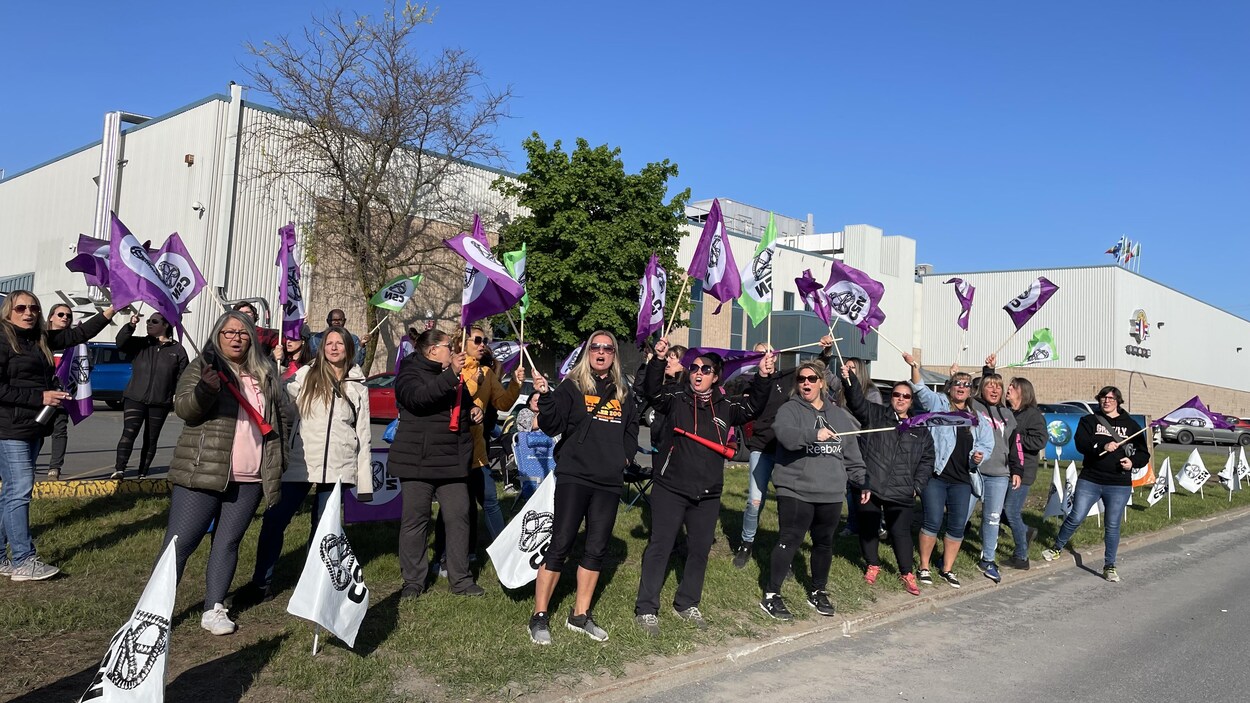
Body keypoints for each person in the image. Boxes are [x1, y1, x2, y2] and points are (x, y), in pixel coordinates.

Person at [158, 310, 292, 635]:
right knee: (180, 543)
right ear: (218, 335)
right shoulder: (203, 367)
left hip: (250, 477)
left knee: (228, 543)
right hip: (203, 471)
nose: (236, 338)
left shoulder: (265, 373)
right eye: (229, 332)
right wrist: (205, 389)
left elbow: (282, 417)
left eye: (243, 333)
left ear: (252, 338)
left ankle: (214, 607)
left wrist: (279, 457)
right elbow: (185, 409)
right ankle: (154, 612)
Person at [634, 337, 774, 636]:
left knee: (699, 549)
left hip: (708, 492)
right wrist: (658, 361)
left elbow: (754, 407)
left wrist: (764, 376)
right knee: (660, 547)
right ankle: (646, 608)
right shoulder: (674, 397)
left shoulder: (727, 406)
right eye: (694, 367)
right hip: (671, 487)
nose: (698, 372)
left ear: (716, 375)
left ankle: (687, 603)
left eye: (706, 369)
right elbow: (651, 391)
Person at [239, 326, 372, 602]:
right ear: (322, 348)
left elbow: (364, 435)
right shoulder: (307, 374)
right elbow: (279, 396)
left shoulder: (358, 385)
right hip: (301, 461)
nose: (333, 347)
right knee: (274, 520)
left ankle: (315, 588)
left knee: (324, 531)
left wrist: (364, 482)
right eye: (329, 343)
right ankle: (261, 584)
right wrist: (274, 366)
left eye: (340, 343)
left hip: (339, 466)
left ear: (350, 349)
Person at [527, 331, 637, 645]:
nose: (601, 353)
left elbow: (631, 428)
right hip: (575, 476)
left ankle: (580, 614)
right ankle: (539, 616)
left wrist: (624, 457)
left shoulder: (623, 390)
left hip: (608, 480)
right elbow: (551, 425)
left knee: (596, 548)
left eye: (608, 349)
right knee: (560, 543)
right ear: (587, 352)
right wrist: (545, 399)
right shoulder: (571, 387)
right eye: (595, 348)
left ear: (614, 354)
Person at [1, 292, 115, 581]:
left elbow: (78, 334)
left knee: (11, 493)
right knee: (20, 490)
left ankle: (1, 558)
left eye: (34, 308)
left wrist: (111, 311)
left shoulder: (39, 339)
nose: (28, 313)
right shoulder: (3, 339)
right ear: (8, 311)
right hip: (8, 428)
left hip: (34, 426)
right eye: (21, 308)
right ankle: (24, 561)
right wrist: (40, 396)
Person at [760, 360, 867, 620]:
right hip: (796, 489)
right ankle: (771, 595)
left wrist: (861, 480)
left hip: (830, 492)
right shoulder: (790, 410)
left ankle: (818, 591)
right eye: (801, 379)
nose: (805, 383)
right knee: (789, 540)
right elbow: (785, 435)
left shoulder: (839, 416)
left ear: (821, 383)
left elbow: (851, 454)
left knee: (823, 543)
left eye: (811, 379)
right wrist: (813, 434)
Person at [388, 328, 485, 599]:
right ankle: (413, 581)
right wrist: (451, 374)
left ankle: (461, 579)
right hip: (418, 461)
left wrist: (472, 408)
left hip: (451, 461)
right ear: (432, 350)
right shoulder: (409, 371)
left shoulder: (451, 375)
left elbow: (459, 400)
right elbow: (419, 399)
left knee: (459, 516)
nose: (453, 352)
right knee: (416, 521)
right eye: (447, 347)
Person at [839, 363, 935, 596]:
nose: (901, 399)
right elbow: (856, 401)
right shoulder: (874, 414)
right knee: (868, 529)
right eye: (896, 395)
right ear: (890, 397)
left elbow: (927, 459)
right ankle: (872, 564)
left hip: (902, 490)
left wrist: (917, 486)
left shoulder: (919, 428)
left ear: (912, 401)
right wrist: (848, 379)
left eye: (906, 396)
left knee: (900, 533)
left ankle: (906, 572)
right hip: (871, 485)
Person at [905, 353, 993, 589]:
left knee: (956, 525)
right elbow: (920, 389)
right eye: (958, 384)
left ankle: (947, 569)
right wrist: (915, 367)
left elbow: (987, 444)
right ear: (950, 387)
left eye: (966, 385)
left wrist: (980, 455)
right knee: (932, 521)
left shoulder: (977, 418)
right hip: (937, 476)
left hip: (963, 479)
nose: (962, 388)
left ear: (971, 391)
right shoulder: (940, 406)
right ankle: (924, 567)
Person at [1042, 386, 1148, 583]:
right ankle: (1057, 548)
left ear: (1118, 401)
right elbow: (1081, 444)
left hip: (1119, 484)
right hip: (1090, 479)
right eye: (1102, 398)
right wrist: (1102, 446)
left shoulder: (1131, 425)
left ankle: (1110, 565)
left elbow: (1143, 454)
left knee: (1113, 525)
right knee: (1076, 516)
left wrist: (1133, 462)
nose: (1106, 401)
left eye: (1110, 398)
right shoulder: (1089, 420)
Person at [436, 327, 521, 559]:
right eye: (478, 340)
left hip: (478, 450)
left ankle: (504, 552)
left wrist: (515, 384)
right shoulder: (450, 370)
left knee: (490, 500)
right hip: (452, 448)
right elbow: (459, 395)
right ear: (461, 343)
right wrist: (471, 372)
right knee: (453, 506)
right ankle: (444, 555)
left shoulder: (487, 372)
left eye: (485, 341)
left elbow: (502, 403)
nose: (483, 344)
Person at [733, 342, 796, 569]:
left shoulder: (786, 379)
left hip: (783, 450)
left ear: (776, 357)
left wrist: (826, 352)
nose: (766, 356)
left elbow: (814, 371)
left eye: (770, 352)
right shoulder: (749, 381)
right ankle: (746, 544)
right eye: (761, 353)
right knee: (754, 501)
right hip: (760, 448)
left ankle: (783, 552)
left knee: (785, 503)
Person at [112, 311, 189, 479]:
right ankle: (119, 470)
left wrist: (177, 396)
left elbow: (183, 377)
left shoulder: (177, 350)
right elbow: (120, 343)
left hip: (160, 402)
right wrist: (131, 325)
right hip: (135, 398)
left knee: (151, 438)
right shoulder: (141, 344)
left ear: (166, 325)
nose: (149, 324)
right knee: (129, 432)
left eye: (154, 321)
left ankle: (142, 473)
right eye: (147, 321)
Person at [966, 356, 1022, 584]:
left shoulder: (1007, 415)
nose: (995, 389)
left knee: (992, 518)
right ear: (981, 389)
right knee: (962, 516)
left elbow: (1015, 445)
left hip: (999, 474)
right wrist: (989, 369)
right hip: (974, 470)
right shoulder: (974, 406)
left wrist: (1017, 470)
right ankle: (947, 556)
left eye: (998, 386)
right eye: (990, 385)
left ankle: (987, 559)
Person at [1002, 376, 1047, 570]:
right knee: (999, 509)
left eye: (1013, 386)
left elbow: (1040, 441)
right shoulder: (1008, 412)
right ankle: (1026, 530)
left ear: (1023, 392)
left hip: (1023, 470)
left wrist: (1016, 439)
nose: (1009, 388)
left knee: (1011, 511)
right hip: (1004, 468)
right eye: (1009, 385)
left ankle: (1021, 556)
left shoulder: (1033, 415)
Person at [43, 304, 75, 481]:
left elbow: (82, 368)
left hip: (63, 392)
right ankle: (27, 463)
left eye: (68, 316)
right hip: (41, 392)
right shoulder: (41, 339)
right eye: (61, 314)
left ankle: (54, 468)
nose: (65, 318)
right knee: (35, 430)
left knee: (60, 429)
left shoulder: (73, 343)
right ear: (51, 317)